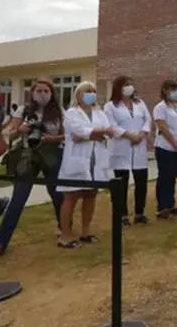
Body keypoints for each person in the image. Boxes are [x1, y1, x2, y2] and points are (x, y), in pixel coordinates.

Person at [0, 79, 65, 253]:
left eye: (46, 91)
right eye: (39, 91)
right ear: (32, 93)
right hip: (28, 155)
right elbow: (10, 136)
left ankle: (65, 228)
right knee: (18, 198)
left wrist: (51, 137)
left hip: (52, 154)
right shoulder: (23, 110)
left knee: (58, 195)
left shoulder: (59, 111)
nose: (42, 94)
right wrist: (20, 129)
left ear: (52, 93)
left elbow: (66, 135)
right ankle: (1, 241)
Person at [56, 81, 114, 249]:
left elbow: (109, 133)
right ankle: (65, 235)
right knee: (71, 197)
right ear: (78, 96)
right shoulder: (71, 113)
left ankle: (85, 232)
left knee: (91, 195)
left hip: (96, 159)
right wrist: (94, 134)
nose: (91, 94)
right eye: (87, 91)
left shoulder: (100, 113)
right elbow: (79, 132)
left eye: (93, 91)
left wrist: (90, 135)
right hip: (77, 160)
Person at [104, 76, 152, 226]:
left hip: (139, 147)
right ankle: (122, 215)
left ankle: (139, 213)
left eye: (131, 84)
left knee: (141, 183)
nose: (129, 87)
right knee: (121, 184)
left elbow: (147, 120)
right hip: (121, 147)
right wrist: (130, 136)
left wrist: (141, 134)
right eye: (126, 85)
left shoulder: (139, 103)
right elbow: (112, 126)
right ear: (118, 87)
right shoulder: (110, 106)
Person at [153, 79, 177, 219]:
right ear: (165, 91)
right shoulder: (160, 107)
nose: (174, 92)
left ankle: (171, 203)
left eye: (176, 89)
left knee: (173, 176)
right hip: (165, 147)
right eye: (171, 89)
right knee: (165, 177)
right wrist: (174, 144)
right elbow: (163, 128)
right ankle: (162, 207)